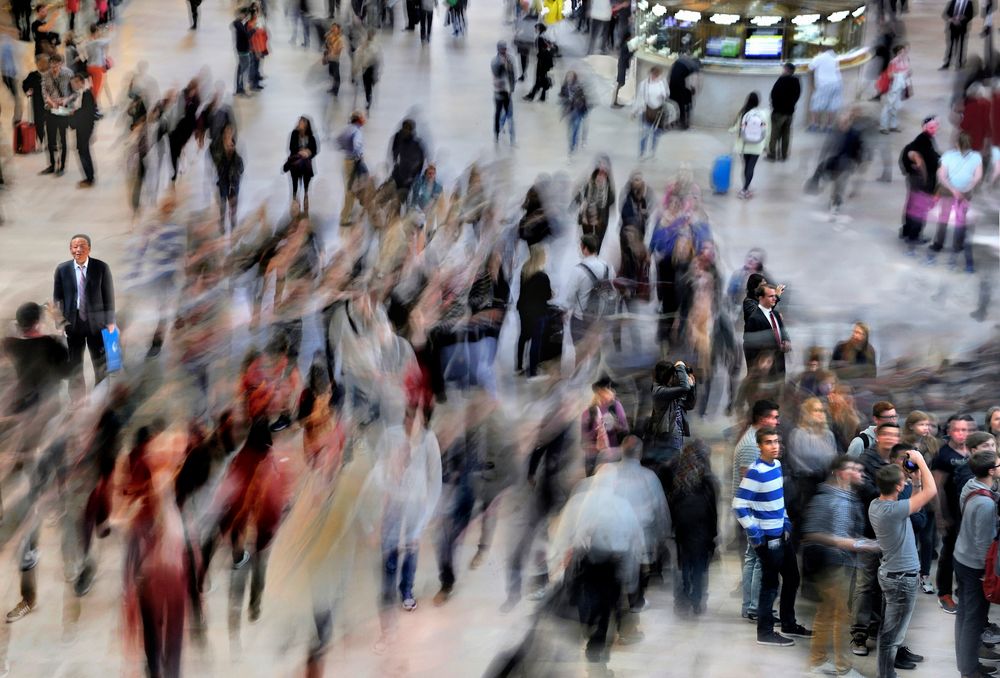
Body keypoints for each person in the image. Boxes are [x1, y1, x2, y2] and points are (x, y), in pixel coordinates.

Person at [733, 427, 811, 646]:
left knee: (792, 578)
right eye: (768, 442)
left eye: (776, 441)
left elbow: (778, 499)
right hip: (767, 538)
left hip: (780, 533)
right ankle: (765, 632)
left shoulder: (776, 466)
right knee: (770, 584)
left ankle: (788, 623)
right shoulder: (755, 471)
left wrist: (785, 519)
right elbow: (739, 504)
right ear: (759, 446)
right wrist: (754, 531)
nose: (774, 446)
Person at [868, 452, 937, 678]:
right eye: (904, 481)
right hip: (900, 579)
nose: (906, 482)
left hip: (892, 574)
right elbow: (931, 492)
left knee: (889, 631)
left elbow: (914, 506)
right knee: (892, 635)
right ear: (898, 486)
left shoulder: (878, 505)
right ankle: (886, 675)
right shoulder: (893, 511)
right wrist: (922, 461)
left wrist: (915, 480)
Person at [802, 456, 871, 678]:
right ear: (840, 473)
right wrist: (844, 543)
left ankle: (817, 661)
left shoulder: (848, 496)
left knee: (828, 613)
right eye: (853, 469)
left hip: (843, 562)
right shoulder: (827, 498)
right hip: (832, 565)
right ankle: (843, 667)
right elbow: (811, 532)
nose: (860, 473)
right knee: (842, 617)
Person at [53, 234, 115, 401]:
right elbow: (57, 299)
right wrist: (59, 324)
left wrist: (110, 322)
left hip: (96, 323)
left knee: (100, 361)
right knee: (75, 364)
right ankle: (77, 400)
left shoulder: (101, 267)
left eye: (82, 246)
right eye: (75, 246)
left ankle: (101, 397)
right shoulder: (62, 269)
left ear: (89, 249)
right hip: (72, 324)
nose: (78, 249)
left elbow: (108, 295)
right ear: (70, 249)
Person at [954, 449, 999, 678]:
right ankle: (969, 671)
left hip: (961, 557)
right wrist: (986, 573)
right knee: (973, 619)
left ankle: (967, 664)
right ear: (991, 471)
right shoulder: (985, 504)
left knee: (964, 615)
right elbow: (984, 543)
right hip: (974, 566)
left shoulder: (971, 485)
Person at [733, 399, 780, 621]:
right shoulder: (752, 444)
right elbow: (748, 482)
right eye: (774, 417)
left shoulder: (755, 439)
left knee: (753, 558)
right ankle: (754, 607)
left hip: (756, 510)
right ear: (763, 419)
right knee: (759, 560)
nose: (776, 421)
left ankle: (750, 606)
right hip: (756, 512)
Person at [664, 439, 717, 617]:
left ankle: (682, 600)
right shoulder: (707, 478)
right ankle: (697, 600)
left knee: (683, 565)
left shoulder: (677, 475)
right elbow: (712, 508)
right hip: (702, 528)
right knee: (700, 566)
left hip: (682, 528)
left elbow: (671, 502)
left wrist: (671, 526)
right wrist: (714, 533)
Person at [932, 414, 976, 613]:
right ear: (949, 431)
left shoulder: (973, 451)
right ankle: (944, 594)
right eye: (957, 430)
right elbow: (937, 487)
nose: (962, 434)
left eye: (966, 430)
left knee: (966, 554)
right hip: (951, 513)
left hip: (970, 512)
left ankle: (963, 590)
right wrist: (941, 517)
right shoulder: (943, 455)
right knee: (949, 554)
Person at [929, 132, 982, 272]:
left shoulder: (947, 156)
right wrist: (966, 189)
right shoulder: (976, 157)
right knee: (960, 221)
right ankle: (957, 247)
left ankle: (938, 244)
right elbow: (977, 177)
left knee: (944, 218)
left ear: (956, 143)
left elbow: (941, 176)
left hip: (948, 192)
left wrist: (953, 190)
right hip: (965, 194)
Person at [562, 234, 615, 359]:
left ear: (584, 248)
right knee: (596, 352)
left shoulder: (578, 270)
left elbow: (570, 296)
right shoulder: (608, 267)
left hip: (582, 317)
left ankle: (580, 375)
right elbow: (611, 287)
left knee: (580, 352)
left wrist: (565, 311)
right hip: (601, 317)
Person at [898, 116, 941, 248]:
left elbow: (909, 156)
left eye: (935, 127)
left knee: (911, 205)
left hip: (914, 180)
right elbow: (918, 157)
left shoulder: (924, 139)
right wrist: (925, 178)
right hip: (921, 182)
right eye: (931, 127)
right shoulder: (922, 142)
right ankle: (914, 236)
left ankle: (906, 231)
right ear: (924, 127)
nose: (934, 129)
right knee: (920, 209)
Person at [515, 243, 552, 378]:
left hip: (524, 309)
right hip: (538, 311)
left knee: (524, 336)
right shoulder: (542, 276)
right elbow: (547, 296)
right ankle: (532, 372)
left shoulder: (525, 270)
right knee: (536, 341)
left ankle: (518, 366)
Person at [580, 376, 629, 476]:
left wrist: (615, 425)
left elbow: (626, 430)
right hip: (595, 460)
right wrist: (597, 432)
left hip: (614, 457)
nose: (612, 391)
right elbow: (583, 443)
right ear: (599, 391)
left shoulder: (616, 406)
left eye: (610, 388)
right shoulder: (588, 413)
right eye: (608, 388)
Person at [742, 282, 789, 377]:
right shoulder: (754, 319)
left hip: (779, 367)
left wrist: (786, 341)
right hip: (764, 370)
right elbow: (748, 346)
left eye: (775, 296)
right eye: (771, 296)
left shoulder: (776, 315)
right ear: (761, 298)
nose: (775, 298)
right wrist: (755, 368)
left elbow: (783, 333)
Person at [731, 91, 769, 200]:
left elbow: (736, 127)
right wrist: (766, 145)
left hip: (744, 145)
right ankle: (745, 189)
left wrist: (731, 130)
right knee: (751, 167)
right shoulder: (762, 114)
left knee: (746, 167)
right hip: (757, 146)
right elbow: (766, 130)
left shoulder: (744, 113)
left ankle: (745, 187)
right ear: (758, 101)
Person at [41, 53, 73, 176]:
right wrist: (51, 102)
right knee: (50, 139)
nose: (54, 68)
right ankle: (52, 165)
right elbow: (44, 92)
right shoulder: (46, 75)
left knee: (63, 140)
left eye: (56, 65)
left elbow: (74, 92)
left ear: (61, 64)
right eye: (52, 65)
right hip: (51, 109)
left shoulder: (68, 74)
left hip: (63, 109)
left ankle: (62, 166)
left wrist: (65, 100)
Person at [633, 66, 669, 159]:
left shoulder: (662, 83)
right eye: (653, 74)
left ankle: (653, 152)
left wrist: (663, 95)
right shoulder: (644, 84)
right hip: (646, 112)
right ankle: (642, 152)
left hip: (659, 113)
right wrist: (635, 111)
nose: (654, 76)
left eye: (656, 75)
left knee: (656, 134)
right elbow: (639, 98)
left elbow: (666, 94)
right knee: (645, 133)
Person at [337, 111, 366, 226]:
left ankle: (349, 213)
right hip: (355, 162)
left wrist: (346, 149)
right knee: (351, 191)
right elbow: (356, 145)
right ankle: (345, 218)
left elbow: (338, 141)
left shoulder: (347, 129)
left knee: (351, 188)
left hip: (347, 161)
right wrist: (356, 154)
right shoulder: (356, 131)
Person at [67, 72, 96, 188]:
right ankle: (88, 177)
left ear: (81, 82)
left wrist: (73, 114)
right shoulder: (79, 94)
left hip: (85, 128)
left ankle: (90, 178)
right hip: (81, 127)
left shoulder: (87, 94)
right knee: (82, 151)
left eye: (75, 82)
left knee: (84, 152)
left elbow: (86, 113)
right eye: (72, 83)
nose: (73, 85)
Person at [767, 62, 801, 161]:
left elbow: (774, 94)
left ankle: (772, 154)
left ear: (787, 70)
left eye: (784, 69)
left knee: (775, 134)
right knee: (786, 134)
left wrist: (774, 106)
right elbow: (797, 95)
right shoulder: (796, 81)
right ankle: (784, 155)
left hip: (778, 112)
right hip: (790, 112)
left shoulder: (781, 80)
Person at [285, 116, 318, 214]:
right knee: (295, 183)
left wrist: (308, 153)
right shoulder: (294, 134)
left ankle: (306, 196)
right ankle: (295, 200)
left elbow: (315, 150)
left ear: (307, 125)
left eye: (302, 123)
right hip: (295, 164)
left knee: (306, 183)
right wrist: (301, 152)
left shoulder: (311, 136)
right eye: (300, 123)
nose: (300, 125)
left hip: (306, 165)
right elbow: (291, 148)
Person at [808, 47, 842, 132]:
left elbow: (810, 68)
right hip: (837, 83)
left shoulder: (819, 57)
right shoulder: (834, 57)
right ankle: (829, 127)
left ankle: (814, 125)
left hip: (825, 84)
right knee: (832, 106)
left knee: (815, 105)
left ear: (821, 51)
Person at [880, 45, 910, 133]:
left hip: (900, 87)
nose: (903, 54)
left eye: (904, 52)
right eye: (901, 52)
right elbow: (890, 75)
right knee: (888, 106)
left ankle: (893, 125)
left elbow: (907, 72)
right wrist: (899, 74)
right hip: (893, 88)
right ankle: (883, 126)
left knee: (896, 107)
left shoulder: (905, 61)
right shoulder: (894, 62)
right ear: (896, 53)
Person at [558, 70, 590, 155]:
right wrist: (563, 111)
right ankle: (573, 143)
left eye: (571, 76)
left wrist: (583, 109)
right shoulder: (564, 87)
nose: (569, 78)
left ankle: (572, 145)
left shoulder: (579, 87)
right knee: (570, 129)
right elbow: (562, 98)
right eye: (568, 76)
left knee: (575, 128)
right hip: (570, 111)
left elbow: (584, 100)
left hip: (578, 111)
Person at [491, 41, 516, 145]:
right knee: (498, 114)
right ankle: (496, 134)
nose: (504, 51)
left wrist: (512, 89)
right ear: (498, 49)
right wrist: (503, 65)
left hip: (508, 92)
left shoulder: (510, 59)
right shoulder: (495, 61)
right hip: (499, 92)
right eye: (502, 49)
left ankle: (512, 138)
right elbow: (496, 75)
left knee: (510, 115)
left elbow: (513, 75)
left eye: (505, 49)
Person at [668, 52, 699, 130]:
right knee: (683, 102)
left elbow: (671, 70)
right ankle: (684, 124)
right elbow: (694, 79)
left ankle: (672, 121)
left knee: (673, 100)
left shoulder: (681, 59)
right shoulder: (695, 66)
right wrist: (693, 89)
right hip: (679, 82)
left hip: (672, 81)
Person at [942, 0, 975, 70]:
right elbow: (947, 13)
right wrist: (952, 20)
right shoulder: (953, 1)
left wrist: (961, 20)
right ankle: (947, 63)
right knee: (950, 46)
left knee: (961, 46)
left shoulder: (969, 3)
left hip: (962, 27)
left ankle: (960, 63)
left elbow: (970, 15)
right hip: (953, 27)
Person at [232, 9, 252, 96]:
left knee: (241, 68)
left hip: (241, 49)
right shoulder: (239, 24)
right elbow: (246, 35)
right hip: (243, 50)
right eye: (245, 15)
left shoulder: (239, 24)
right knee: (245, 69)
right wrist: (253, 30)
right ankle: (242, 88)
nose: (245, 16)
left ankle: (239, 88)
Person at [323, 23, 343, 96]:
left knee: (336, 76)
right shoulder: (331, 36)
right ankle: (333, 88)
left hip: (335, 60)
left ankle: (335, 91)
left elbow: (337, 51)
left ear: (338, 30)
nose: (333, 29)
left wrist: (330, 46)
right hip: (330, 58)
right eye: (332, 28)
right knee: (331, 73)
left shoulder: (339, 39)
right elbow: (325, 36)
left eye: (334, 28)